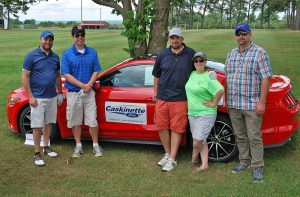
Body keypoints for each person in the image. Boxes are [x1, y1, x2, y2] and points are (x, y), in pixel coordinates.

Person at [225, 23, 272, 183]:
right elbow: (228, 78)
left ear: (250, 35)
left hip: (252, 104)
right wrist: (226, 99)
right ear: (235, 36)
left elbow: (266, 78)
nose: (241, 37)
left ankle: (257, 167)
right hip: (234, 104)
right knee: (240, 136)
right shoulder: (231, 54)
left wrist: (262, 102)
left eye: (244, 33)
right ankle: (244, 161)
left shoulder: (259, 53)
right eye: (238, 34)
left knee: (254, 136)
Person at [152, 27, 196, 172]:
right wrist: (155, 92)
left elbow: (199, 73)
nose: (175, 40)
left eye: (177, 38)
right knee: (162, 126)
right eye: (172, 38)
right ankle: (168, 153)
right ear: (169, 39)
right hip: (162, 97)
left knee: (177, 128)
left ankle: (172, 158)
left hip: (180, 97)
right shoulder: (163, 54)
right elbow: (157, 75)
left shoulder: (191, 54)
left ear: (182, 39)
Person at [22, 30, 63, 166]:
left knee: (48, 123)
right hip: (38, 97)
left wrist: (60, 92)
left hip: (51, 96)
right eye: (45, 39)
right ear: (40, 40)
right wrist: (30, 96)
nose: (48, 42)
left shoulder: (55, 57)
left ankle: (46, 147)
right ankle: (37, 153)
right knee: (37, 126)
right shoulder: (31, 56)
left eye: (50, 40)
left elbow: (57, 75)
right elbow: (25, 76)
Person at [61, 25, 103, 158]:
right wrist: (82, 85)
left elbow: (96, 70)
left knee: (92, 120)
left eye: (82, 34)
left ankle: (96, 146)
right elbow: (66, 74)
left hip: (89, 93)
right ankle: (78, 146)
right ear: (72, 36)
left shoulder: (92, 52)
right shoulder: (67, 54)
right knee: (75, 121)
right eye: (77, 35)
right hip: (74, 93)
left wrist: (88, 85)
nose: (80, 37)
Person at [185, 52, 224, 172]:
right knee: (202, 140)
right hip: (192, 113)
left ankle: (194, 158)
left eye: (201, 61)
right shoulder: (191, 74)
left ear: (205, 62)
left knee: (197, 141)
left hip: (206, 113)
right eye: (196, 61)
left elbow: (220, 90)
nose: (198, 63)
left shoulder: (209, 76)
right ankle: (205, 165)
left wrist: (214, 103)